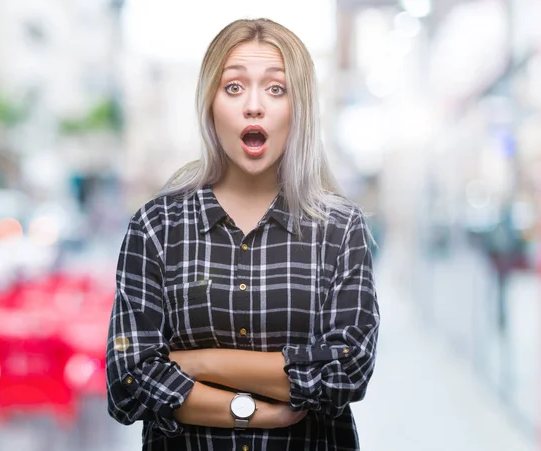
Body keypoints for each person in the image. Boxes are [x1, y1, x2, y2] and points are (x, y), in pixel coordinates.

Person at [106, 18, 380, 451]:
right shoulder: (156, 226)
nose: (254, 106)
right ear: (210, 104)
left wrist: (201, 362)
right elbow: (129, 382)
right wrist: (253, 411)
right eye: (234, 87)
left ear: (300, 107)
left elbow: (346, 371)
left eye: (276, 89)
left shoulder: (341, 228)